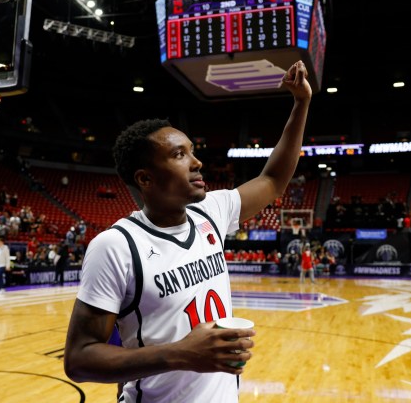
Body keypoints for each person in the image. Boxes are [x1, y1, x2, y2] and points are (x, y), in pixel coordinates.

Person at [64, 60, 312, 403]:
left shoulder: (210, 210)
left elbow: (272, 179)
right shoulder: (117, 246)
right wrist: (181, 353)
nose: (196, 162)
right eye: (179, 155)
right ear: (145, 179)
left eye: (192, 152)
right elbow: (79, 359)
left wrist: (300, 104)